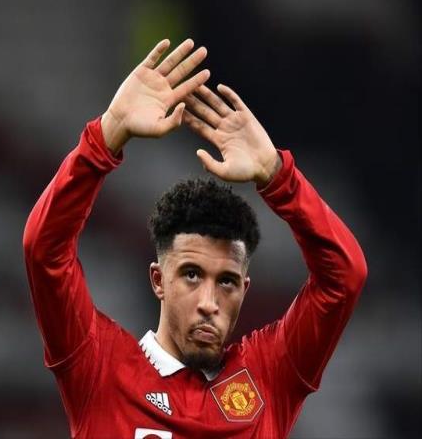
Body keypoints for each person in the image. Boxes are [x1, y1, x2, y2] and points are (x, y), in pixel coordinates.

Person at [23, 39, 367, 439]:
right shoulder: (99, 367)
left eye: (227, 282)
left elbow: (344, 277)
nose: (209, 303)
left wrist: (278, 176)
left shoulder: (269, 377)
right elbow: (44, 250)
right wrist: (105, 136)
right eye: (191, 275)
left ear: (245, 289)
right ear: (158, 280)